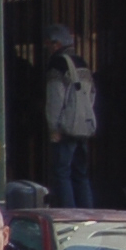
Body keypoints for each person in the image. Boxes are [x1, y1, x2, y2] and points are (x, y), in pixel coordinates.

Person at [42, 23, 98, 209]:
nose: (47, 48)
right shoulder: (82, 62)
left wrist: (53, 127)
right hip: (84, 126)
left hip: (65, 127)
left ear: (56, 44)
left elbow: (55, 98)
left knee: (61, 172)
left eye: (49, 44)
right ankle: (87, 213)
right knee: (81, 174)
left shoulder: (57, 64)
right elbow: (91, 94)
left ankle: (69, 214)